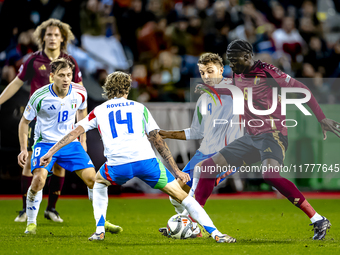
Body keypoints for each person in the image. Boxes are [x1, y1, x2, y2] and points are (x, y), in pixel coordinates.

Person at [39, 71, 236, 243]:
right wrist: (176, 170)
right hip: (146, 163)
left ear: (108, 90)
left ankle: (99, 231)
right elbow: (157, 140)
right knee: (183, 197)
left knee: (99, 184)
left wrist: (50, 152)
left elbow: (73, 133)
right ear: (126, 90)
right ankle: (216, 233)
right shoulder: (139, 107)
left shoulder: (98, 111)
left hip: (117, 166)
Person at [194, 39, 340, 240]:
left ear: (248, 57)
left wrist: (321, 119)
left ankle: (318, 219)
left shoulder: (268, 72)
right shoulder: (237, 73)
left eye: (235, 60)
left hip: (273, 135)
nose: (231, 65)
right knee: (208, 168)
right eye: (229, 61)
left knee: (270, 175)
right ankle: (194, 223)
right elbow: (237, 91)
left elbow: (302, 90)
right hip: (251, 137)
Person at [18, 58, 122, 235]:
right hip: (45, 143)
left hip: (70, 144)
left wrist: (83, 140)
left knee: (94, 181)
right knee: (39, 180)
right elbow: (24, 122)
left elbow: (83, 111)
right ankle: (31, 222)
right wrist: (23, 149)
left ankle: (102, 222)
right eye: (61, 75)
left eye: (69, 75)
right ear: (52, 76)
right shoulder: (39, 95)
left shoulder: (80, 91)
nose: (66, 79)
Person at [0, 18, 83, 223]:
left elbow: (81, 94)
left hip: (63, 120)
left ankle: (51, 209)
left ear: (62, 38)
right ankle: (26, 209)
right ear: (43, 37)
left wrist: (81, 126)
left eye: (56, 34)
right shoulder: (33, 60)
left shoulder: (70, 61)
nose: (52, 38)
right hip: (38, 119)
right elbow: (16, 83)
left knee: (59, 166)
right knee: (29, 162)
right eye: (49, 34)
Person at [158, 53, 243, 234]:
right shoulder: (203, 99)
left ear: (221, 70)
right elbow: (196, 132)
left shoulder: (233, 87)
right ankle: (185, 224)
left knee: (195, 192)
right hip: (204, 152)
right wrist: (166, 134)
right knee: (175, 193)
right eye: (202, 72)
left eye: (210, 71)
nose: (206, 76)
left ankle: (192, 226)